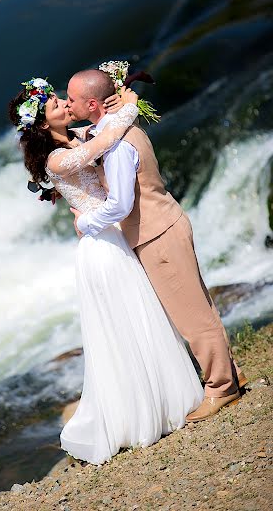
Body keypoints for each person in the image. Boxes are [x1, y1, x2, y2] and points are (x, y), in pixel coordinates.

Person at [9, 76, 203, 465]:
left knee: (143, 314)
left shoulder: (74, 137)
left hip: (112, 235)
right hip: (100, 245)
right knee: (125, 323)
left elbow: (99, 128)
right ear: (44, 125)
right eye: (55, 106)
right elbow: (105, 142)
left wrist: (113, 100)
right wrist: (129, 104)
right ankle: (138, 414)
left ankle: (163, 397)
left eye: (63, 100)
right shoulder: (56, 159)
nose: (65, 104)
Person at [67, 68, 247, 423]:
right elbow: (85, 138)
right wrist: (127, 104)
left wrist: (86, 223)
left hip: (157, 233)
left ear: (91, 103)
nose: (68, 103)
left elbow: (120, 205)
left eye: (71, 99)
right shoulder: (109, 129)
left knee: (191, 316)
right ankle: (232, 373)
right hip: (162, 226)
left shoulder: (117, 146)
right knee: (198, 306)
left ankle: (221, 388)